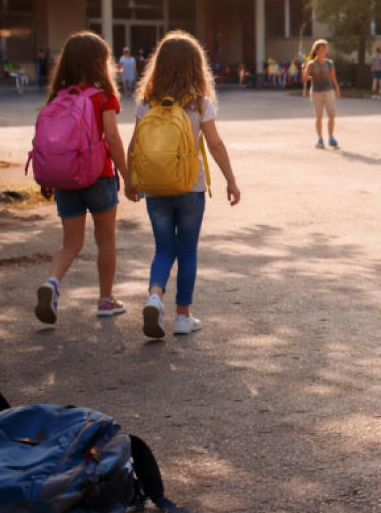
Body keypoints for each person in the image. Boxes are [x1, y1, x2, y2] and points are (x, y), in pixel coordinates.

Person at [130, 31, 241, 339]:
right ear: (196, 66)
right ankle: (182, 317)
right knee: (187, 251)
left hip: (156, 186)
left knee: (163, 248)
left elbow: (134, 146)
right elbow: (215, 145)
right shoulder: (200, 103)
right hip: (191, 187)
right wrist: (231, 180)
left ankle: (154, 297)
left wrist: (131, 182)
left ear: (159, 65)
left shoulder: (147, 104)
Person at [33, 32, 136, 326]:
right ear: (99, 63)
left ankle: (52, 282)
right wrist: (127, 179)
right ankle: (106, 300)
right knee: (105, 239)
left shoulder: (58, 95)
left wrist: (47, 176)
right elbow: (113, 139)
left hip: (65, 179)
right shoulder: (103, 96)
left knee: (71, 243)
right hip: (98, 176)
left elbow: (49, 140)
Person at [302, 39, 341, 149]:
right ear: (317, 51)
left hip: (329, 91)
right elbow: (306, 78)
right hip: (316, 92)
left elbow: (332, 77)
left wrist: (337, 88)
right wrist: (306, 75)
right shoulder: (311, 64)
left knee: (332, 115)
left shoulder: (329, 63)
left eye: (326, 48)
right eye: (323, 48)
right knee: (319, 117)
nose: (325, 50)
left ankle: (331, 137)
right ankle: (320, 139)